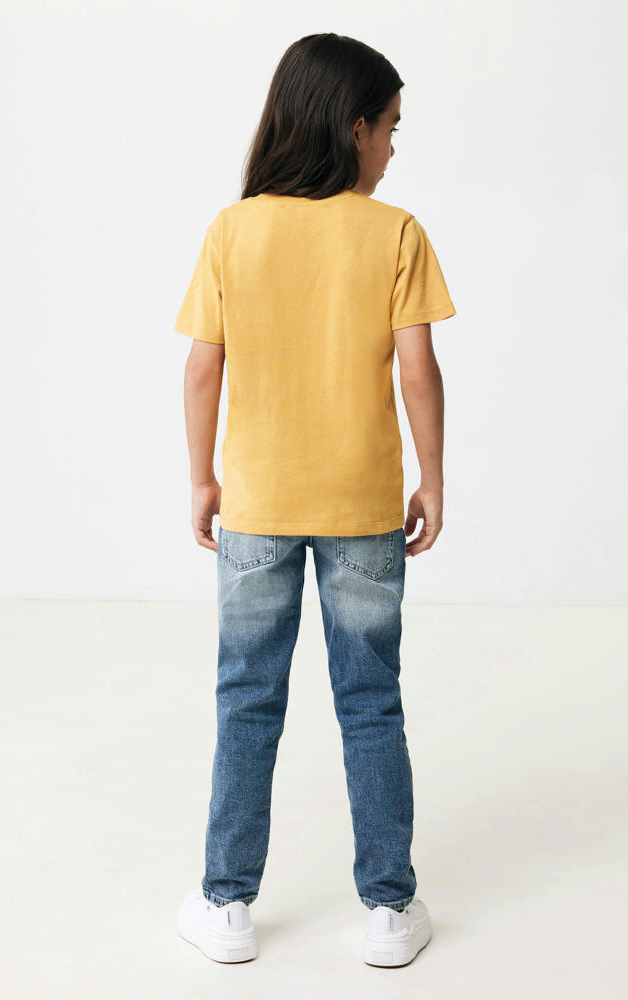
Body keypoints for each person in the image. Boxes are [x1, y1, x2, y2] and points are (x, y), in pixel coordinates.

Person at [173, 32, 454, 968]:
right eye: (391, 130)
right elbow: (418, 371)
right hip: (363, 510)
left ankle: (226, 905)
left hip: (256, 505)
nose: (392, 150)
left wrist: (203, 478)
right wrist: (432, 478)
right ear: (353, 126)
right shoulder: (395, 233)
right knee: (371, 701)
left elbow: (202, 369)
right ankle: (389, 910)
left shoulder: (234, 229)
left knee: (247, 698)